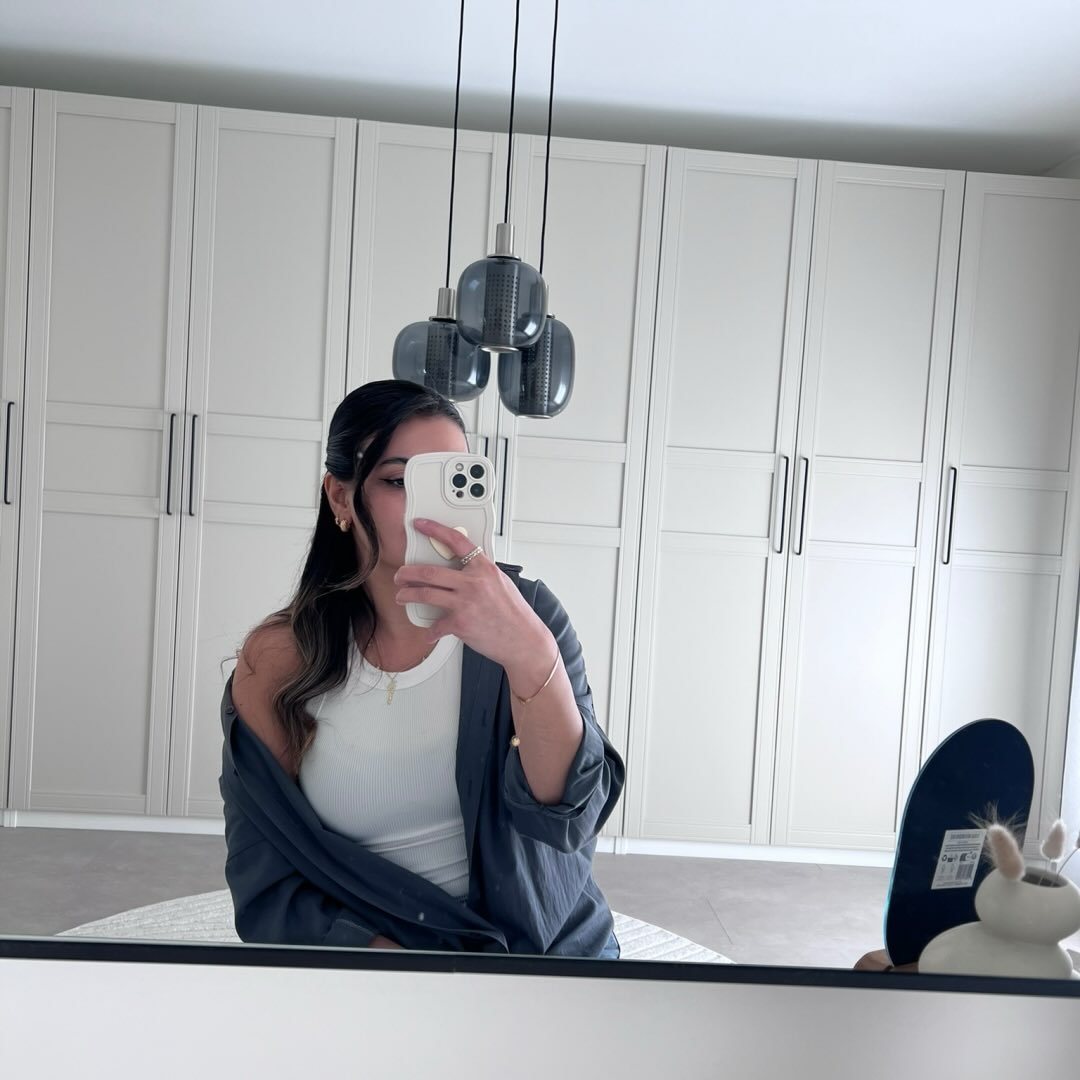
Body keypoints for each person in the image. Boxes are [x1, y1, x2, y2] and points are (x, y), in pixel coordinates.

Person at [219, 379, 625, 957]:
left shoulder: (529, 616)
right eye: (398, 481)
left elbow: (567, 820)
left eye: (452, 480)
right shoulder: (281, 658)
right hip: (375, 964)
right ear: (340, 497)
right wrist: (405, 971)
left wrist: (530, 655)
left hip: (540, 951)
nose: (429, 509)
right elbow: (265, 877)